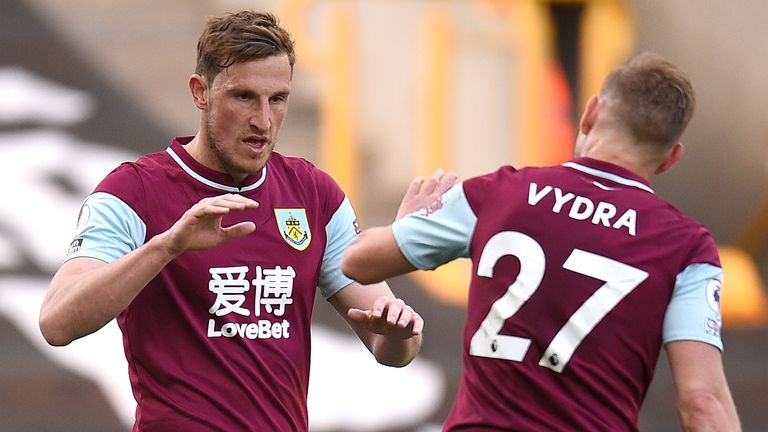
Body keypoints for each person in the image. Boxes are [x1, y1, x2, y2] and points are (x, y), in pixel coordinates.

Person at [39, 10, 423, 432]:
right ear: (200, 91)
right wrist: (168, 246)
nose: (263, 120)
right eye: (244, 97)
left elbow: (390, 347)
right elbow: (57, 322)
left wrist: (400, 331)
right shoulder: (133, 191)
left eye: (277, 99)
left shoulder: (314, 194)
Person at [342, 52, 741, 431]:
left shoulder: (500, 193)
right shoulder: (688, 248)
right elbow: (702, 402)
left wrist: (411, 226)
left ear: (591, 114)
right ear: (672, 157)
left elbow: (357, 262)